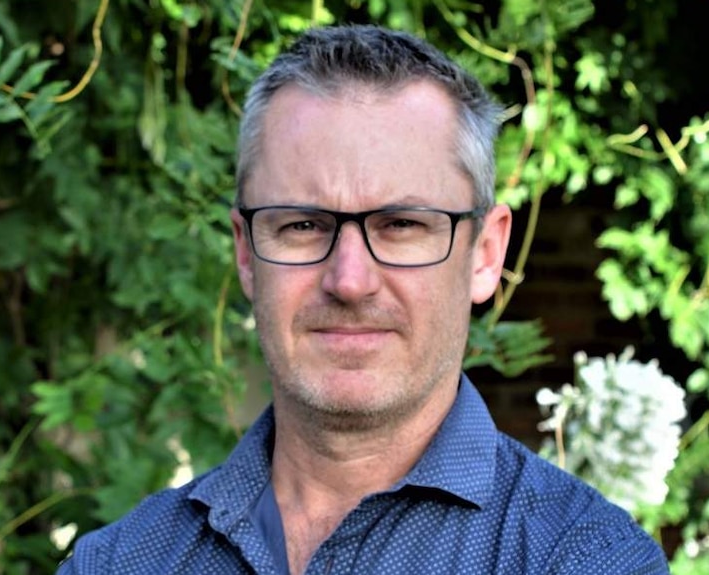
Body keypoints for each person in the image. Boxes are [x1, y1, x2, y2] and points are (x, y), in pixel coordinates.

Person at [57, 25, 669, 574]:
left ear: (485, 254)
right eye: (301, 225)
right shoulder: (120, 561)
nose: (349, 281)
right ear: (246, 254)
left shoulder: (584, 559)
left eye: (402, 225)